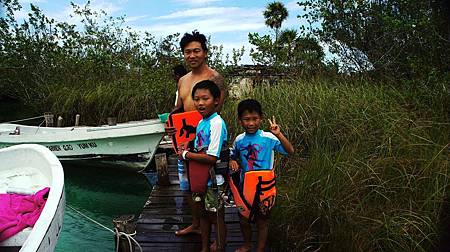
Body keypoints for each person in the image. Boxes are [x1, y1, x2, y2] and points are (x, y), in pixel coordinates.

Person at [164, 31, 226, 237]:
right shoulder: (182, 80)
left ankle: (217, 234)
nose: (192, 55)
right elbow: (178, 108)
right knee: (188, 185)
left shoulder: (215, 78)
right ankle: (196, 223)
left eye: (196, 51)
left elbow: (215, 112)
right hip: (184, 141)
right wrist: (170, 124)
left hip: (206, 144)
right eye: (187, 52)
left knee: (209, 186)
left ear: (205, 53)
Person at [229, 99, 295, 252]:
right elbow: (234, 154)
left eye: (254, 119)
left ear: (261, 119)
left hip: (265, 186)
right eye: (246, 119)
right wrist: (233, 160)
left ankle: (260, 249)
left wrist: (279, 134)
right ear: (240, 120)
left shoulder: (269, 137)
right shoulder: (239, 140)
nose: (251, 123)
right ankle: (247, 244)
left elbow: (290, 150)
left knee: (262, 221)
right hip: (246, 185)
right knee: (243, 218)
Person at [178, 80, 228, 252]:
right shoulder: (201, 122)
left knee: (216, 215)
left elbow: (212, 157)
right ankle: (205, 247)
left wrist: (186, 155)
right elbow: (199, 144)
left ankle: (220, 245)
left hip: (214, 179)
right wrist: (188, 145)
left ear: (216, 100)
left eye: (205, 98)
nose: (200, 103)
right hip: (201, 178)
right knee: (203, 215)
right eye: (196, 99)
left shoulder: (216, 122)